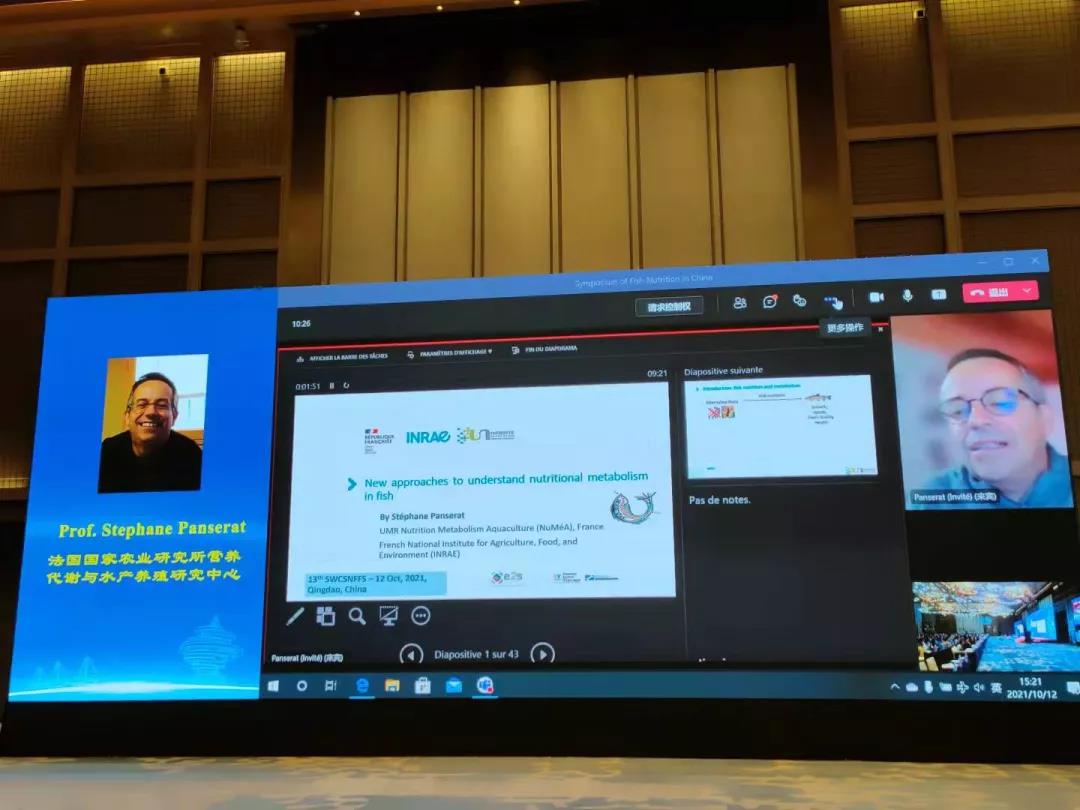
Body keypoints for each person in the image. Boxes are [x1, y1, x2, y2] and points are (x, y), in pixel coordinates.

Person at [915, 348, 1072, 509]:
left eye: (999, 402)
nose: (975, 420)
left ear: (1044, 418)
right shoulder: (931, 501)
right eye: (957, 410)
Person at [98, 372, 202, 493]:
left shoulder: (192, 456)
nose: (151, 412)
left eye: (162, 405)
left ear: (174, 416)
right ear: (127, 417)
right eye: (142, 404)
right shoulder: (107, 452)